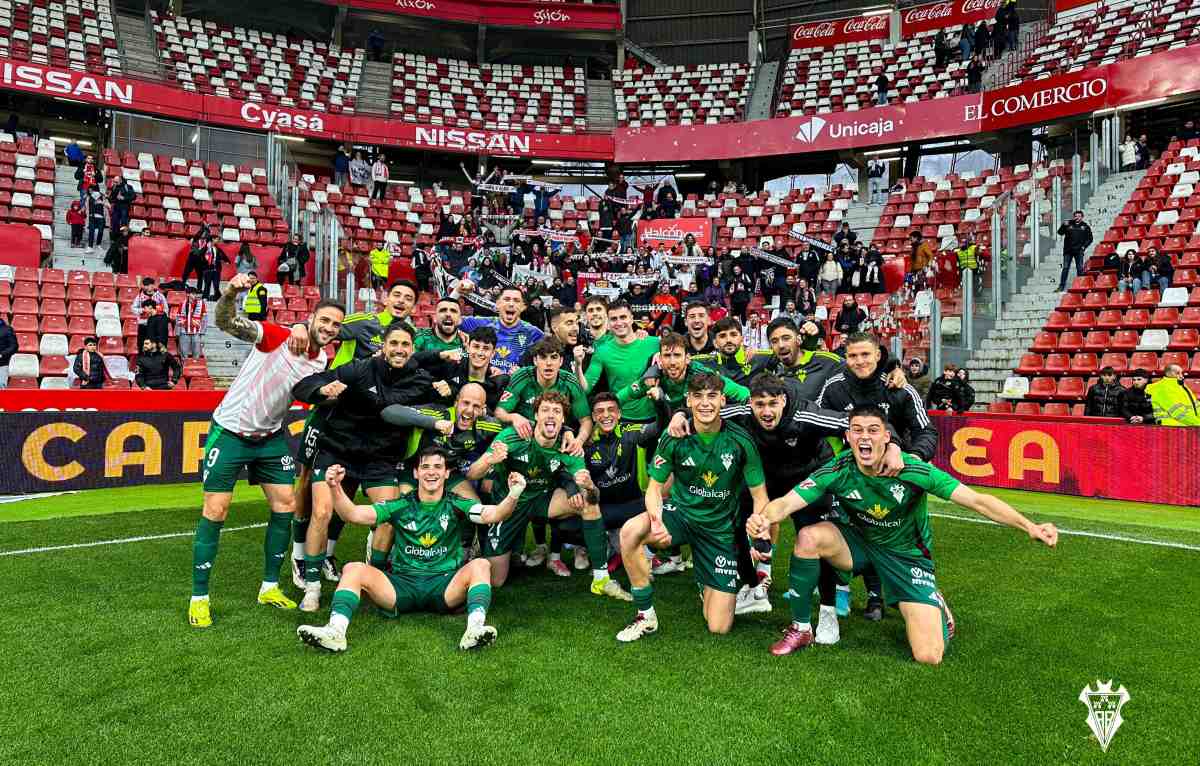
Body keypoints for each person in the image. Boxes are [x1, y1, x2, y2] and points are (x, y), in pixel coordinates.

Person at [748, 407, 1057, 661]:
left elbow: (976, 500)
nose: (864, 437)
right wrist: (762, 519)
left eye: (872, 430)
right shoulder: (838, 468)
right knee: (808, 537)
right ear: (848, 436)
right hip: (858, 544)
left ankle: (934, 602)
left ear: (886, 437)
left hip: (905, 557)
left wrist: (1029, 526)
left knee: (928, 656)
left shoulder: (913, 470)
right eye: (857, 430)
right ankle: (802, 627)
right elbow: (788, 501)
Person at [188, 278, 345, 628]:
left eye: (336, 325)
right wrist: (230, 291)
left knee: (285, 505)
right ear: (312, 317)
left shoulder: (322, 362)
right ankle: (199, 597)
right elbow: (227, 322)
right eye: (325, 321)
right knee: (216, 509)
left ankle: (269, 586)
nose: (330, 329)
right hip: (230, 432)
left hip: (270, 437)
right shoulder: (278, 336)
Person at [297, 447, 520, 654]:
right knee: (353, 569)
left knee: (481, 565)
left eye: (437, 467)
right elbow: (353, 514)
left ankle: (474, 629)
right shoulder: (401, 505)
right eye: (425, 467)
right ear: (415, 473)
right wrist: (335, 488)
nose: (431, 473)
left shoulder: (456, 503)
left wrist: (513, 495)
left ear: (446, 474)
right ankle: (335, 631)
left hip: (444, 585)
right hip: (401, 585)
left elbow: (493, 514)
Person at [291, 321, 442, 612]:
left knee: (388, 519)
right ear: (383, 346)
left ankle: (376, 577)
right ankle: (312, 586)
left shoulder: (421, 381)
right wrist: (323, 391)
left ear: (412, 349)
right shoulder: (360, 369)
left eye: (405, 345)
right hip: (338, 451)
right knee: (321, 512)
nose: (399, 349)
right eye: (393, 343)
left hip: (380, 460)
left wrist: (441, 396)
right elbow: (305, 384)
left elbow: (444, 402)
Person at [614, 373, 768, 642]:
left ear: (722, 399)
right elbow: (653, 489)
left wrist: (759, 526)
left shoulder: (741, 441)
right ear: (688, 400)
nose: (705, 403)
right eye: (698, 397)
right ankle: (645, 614)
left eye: (711, 396)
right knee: (630, 531)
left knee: (718, 626)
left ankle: (706, 581)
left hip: (719, 531)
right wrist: (657, 520)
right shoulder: (674, 436)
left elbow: (759, 495)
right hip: (681, 516)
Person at [816, 332, 938, 620]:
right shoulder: (834, 388)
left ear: (878, 355)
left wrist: (913, 460)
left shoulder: (899, 388)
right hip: (854, 476)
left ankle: (919, 593)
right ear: (845, 358)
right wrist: (835, 460)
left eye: (865, 355)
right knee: (852, 530)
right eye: (853, 356)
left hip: (898, 479)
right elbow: (819, 423)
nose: (859, 361)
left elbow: (926, 431)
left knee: (901, 539)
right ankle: (856, 595)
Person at [466, 391, 628, 600]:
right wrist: (490, 460)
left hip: (543, 500)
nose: (551, 415)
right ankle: (479, 551)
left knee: (588, 501)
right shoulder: (512, 437)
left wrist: (588, 486)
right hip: (509, 505)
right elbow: (472, 473)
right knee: (496, 580)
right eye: (545, 410)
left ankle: (601, 579)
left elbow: (594, 496)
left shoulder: (569, 446)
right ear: (536, 416)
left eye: (557, 411)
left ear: (563, 419)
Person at [496, 337, 593, 455]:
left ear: (561, 361)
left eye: (554, 357)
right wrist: (514, 417)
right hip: (524, 437)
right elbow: (499, 412)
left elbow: (586, 420)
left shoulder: (570, 381)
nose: (548, 363)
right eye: (543, 357)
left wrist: (579, 441)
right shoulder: (521, 376)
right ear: (535, 361)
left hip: (555, 438)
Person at [455, 285, 545, 375]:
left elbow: (547, 361)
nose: (511, 304)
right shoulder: (481, 324)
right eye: (506, 299)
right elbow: (448, 318)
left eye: (516, 301)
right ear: (497, 304)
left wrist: (524, 372)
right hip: (481, 383)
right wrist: (457, 291)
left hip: (511, 386)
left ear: (523, 307)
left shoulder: (534, 333)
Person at [330, 278, 418, 368]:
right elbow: (323, 328)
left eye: (408, 299)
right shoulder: (363, 322)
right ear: (385, 299)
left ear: (414, 308)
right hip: (343, 379)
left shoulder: (413, 335)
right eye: (396, 295)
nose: (401, 301)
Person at [1056, 211, 1094, 291]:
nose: (1077, 217)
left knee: (1080, 268)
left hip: (1079, 251)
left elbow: (1090, 239)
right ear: (1074, 217)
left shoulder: (1085, 226)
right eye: (1075, 216)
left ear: (1082, 217)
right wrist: (1063, 226)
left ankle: (1080, 286)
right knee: (1065, 268)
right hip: (1068, 251)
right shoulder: (1068, 224)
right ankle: (1061, 286)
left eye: (1079, 216)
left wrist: (1084, 247)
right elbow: (1060, 233)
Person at [131, 277, 167, 349]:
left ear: (153, 285)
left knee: (156, 347)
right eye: (145, 285)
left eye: (149, 285)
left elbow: (166, 310)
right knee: (142, 346)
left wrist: (155, 311)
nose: (147, 287)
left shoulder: (160, 296)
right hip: (144, 324)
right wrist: (143, 310)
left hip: (157, 325)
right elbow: (133, 309)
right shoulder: (139, 296)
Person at [175, 286, 207, 360]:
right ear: (188, 294)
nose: (195, 296)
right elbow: (178, 318)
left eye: (196, 294)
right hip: (184, 332)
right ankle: (184, 368)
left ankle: (195, 367)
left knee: (196, 354)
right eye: (193, 294)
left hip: (196, 332)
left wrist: (202, 332)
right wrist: (177, 332)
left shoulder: (201, 304)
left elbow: (204, 318)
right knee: (183, 354)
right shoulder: (182, 304)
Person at [86, 185, 107, 252]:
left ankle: (98, 244)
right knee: (91, 231)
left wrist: (102, 202)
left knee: (100, 231)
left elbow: (108, 206)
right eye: (89, 190)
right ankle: (90, 247)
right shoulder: (88, 197)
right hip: (92, 216)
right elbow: (86, 206)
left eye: (91, 190)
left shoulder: (102, 196)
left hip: (100, 217)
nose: (90, 191)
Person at [0, 315, 13, 389]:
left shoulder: (7, 329)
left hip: (2, 364)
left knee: (1, 386)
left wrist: (2, 354)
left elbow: (13, 346)